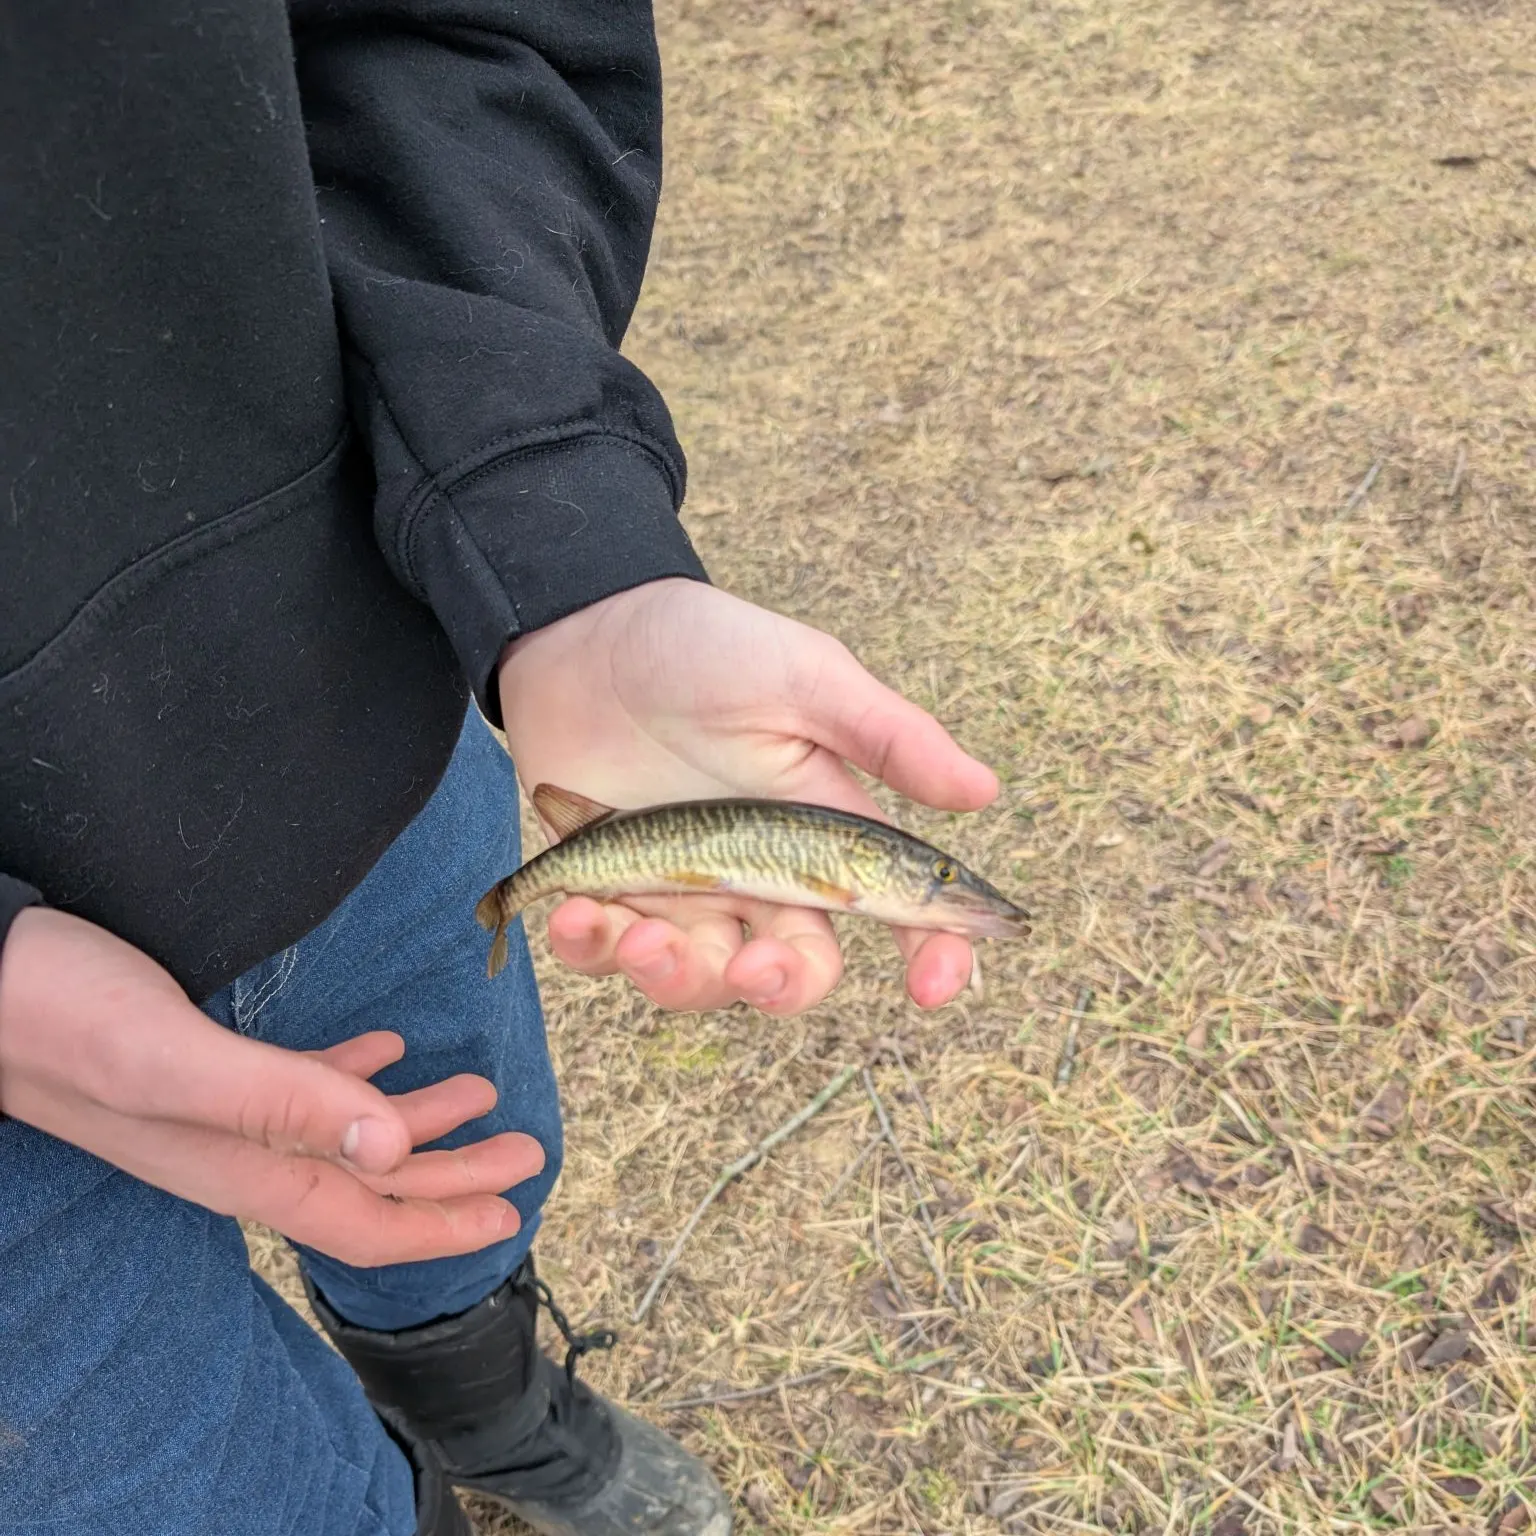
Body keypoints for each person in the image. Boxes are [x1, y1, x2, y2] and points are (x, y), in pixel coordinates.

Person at [0, 5, 1000, 1534]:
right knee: (203, 1493)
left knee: (465, 1179)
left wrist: (561, 543)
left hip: (357, 742)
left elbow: (465, 35)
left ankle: (491, 1413)